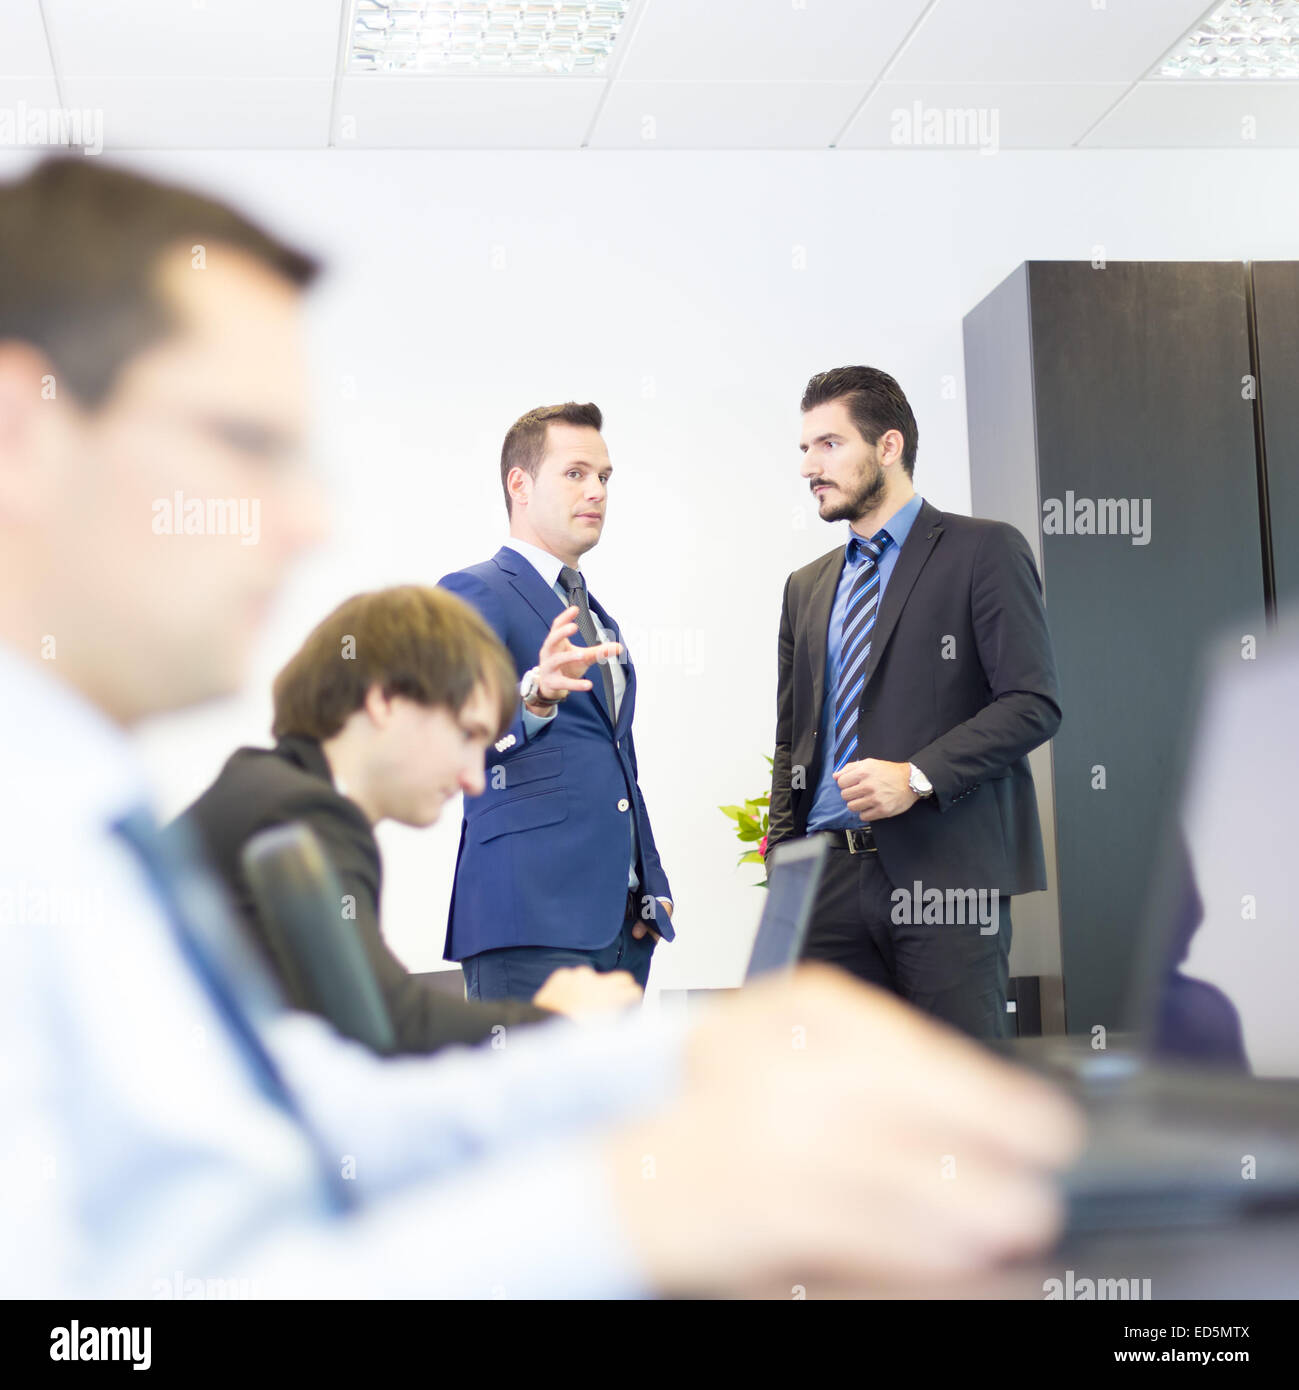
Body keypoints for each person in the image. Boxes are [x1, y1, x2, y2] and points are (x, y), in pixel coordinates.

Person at [0, 156, 1083, 1298]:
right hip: (543, 909)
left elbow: (314, 1109)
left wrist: (677, 1049)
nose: (309, 515)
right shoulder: (121, 825)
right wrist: (657, 1204)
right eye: (243, 444)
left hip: (676, 908)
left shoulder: (85, 817)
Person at [180, 584, 643, 1055]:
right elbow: (385, 1025)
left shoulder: (269, 790)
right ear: (385, 700)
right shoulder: (300, 813)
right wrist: (557, 1022)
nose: (474, 778)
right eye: (466, 734)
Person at [770, 366, 1062, 1039]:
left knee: (957, 1092)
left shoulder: (982, 550)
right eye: (805, 450)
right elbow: (792, 736)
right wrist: (785, 862)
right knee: (841, 1101)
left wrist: (916, 777)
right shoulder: (805, 587)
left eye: (829, 445)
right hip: (825, 883)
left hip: (947, 875)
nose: (810, 467)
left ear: (889, 446)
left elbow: (1031, 700)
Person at [438, 403, 674, 1002]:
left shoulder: (597, 616)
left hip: (623, 929)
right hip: (528, 922)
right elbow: (448, 743)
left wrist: (649, 880)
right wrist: (534, 698)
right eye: (576, 473)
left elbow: (617, 760)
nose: (596, 490)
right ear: (519, 484)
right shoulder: (471, 592)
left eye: (604, 477)